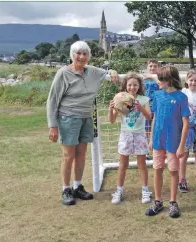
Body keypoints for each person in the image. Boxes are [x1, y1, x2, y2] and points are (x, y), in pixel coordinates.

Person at [47, 40, 119, 206]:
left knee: (81, 154)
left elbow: (108, 74)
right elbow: (52, 100)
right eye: (78, 53)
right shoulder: (63, 73)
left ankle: (77, 186)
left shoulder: (93, 71)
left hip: (86, 117)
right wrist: (53, 126)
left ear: (88, 56)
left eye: (85, 53)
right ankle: (66, 189)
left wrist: (113, 71)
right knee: (68, 155)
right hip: (68, 118)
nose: (81, 56)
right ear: (72, 55)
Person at [146, 66, 190, 218]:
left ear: (170, 80)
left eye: (162, 79)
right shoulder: (157, 95)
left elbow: (186, 123)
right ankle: (158, 201)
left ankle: (173, 202)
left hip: (173, 142)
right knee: (157, 169)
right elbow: (155, 118)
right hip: (158, 140)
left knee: (173, 171)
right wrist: (151, 139)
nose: (159, 82)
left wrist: (182, 145)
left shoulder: (181, 98)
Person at [108, 72, 152, 204]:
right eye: (130, 85)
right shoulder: (120, 99)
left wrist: (141, 108)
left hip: (139, 135)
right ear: (125, 86)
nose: (132, 87)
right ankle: (119, 191)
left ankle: (145, 191)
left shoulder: (144, 99)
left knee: (142, 164)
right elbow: (111, 121)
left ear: (139, 86)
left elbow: (149, 117)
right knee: (123, 165)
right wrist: (111, 109)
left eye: (135, 85)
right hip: (125, 135)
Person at [143, 59, 160, 160]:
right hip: (146, 107)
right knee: (146, 130)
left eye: (155, 66)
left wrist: (153, 78)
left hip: (157, 106)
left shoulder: (159, 77)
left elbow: (161, 85)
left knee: (156, 129)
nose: (152, 68)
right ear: (147, 67)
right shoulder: (143, 79)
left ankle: (155, 151)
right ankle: (145, 152)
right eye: (150, 66)